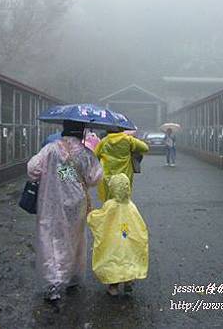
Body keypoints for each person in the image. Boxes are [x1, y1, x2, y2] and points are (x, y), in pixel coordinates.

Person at [26, 120, 103, 302]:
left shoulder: (50, 149)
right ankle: (73, 275)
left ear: (64, 129)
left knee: (51, 238)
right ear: (81, 131)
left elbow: (32, 169)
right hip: (76, 203)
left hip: (51, 201)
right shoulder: (85, 153)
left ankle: (54, 281)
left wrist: (55, 172)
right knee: (75, 237)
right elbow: (95, 177)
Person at [87, 173, 149, 296]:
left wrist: (90, 215)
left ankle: (113, 287)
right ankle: (128, 281)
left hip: (113, 242)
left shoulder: (110, 205)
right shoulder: (131, 206)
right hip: (128, 239)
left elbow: (101, 219)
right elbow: (139, 224)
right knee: (128, 260)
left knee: (114, 262)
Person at [94, 127, 149, 202]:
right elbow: (145, 148)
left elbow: (95, 155)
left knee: (108, 200)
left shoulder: (104, 141)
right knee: (123, 199)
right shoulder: (128, 140)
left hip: (107, 175)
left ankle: (110, 212)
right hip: (125, 175)